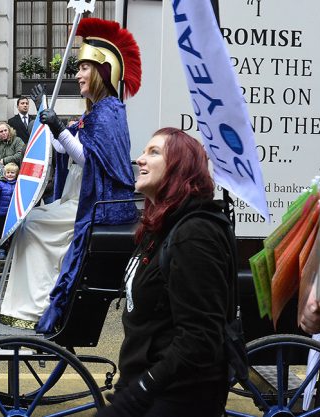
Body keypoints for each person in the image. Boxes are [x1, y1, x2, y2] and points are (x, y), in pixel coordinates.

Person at [0, 17, 142, 333]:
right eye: (77, 68)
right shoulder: (94, 110)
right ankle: (28, 304)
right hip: (78, 198)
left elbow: (86, 156)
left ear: (102, 72)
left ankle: (34, 307)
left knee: (31, 225)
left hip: (94, 205)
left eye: (84, 68)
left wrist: (57, 125)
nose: (78, 74)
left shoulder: (110, 111)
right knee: (30, 223)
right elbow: (62, 148)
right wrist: (45, 114)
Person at [96, 128, 236, 417]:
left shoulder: (194, 234)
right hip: (147, 390)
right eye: (143, 152)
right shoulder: (160, 226)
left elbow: (200, 338)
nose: (139, 159)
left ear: (180, 166)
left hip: (178, 399)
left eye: (153, 152)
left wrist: (138, 395)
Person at [0, 162, 19, 260]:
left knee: (13, 232)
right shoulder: (1, 184)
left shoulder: (18, 184)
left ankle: (11, 248)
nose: (10, 174)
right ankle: (2, 249)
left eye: (12, 173)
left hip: (13, 213)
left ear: (16, 174)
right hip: (2, 213)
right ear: (4, 173)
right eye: (8, 172)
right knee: (3, 232)